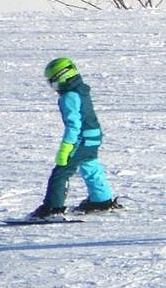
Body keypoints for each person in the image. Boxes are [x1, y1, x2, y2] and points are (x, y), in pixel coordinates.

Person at [28, 58, 120, 219]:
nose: (52, 86)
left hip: (81, 138)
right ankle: (101, 200)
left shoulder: (69, 96)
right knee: (90, 165)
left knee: (61, 172)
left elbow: (73, 125)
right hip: (93, 135)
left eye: (53, 81)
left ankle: (52, 208)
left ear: (63, 77)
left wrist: (66, 147)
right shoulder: (80, 90)